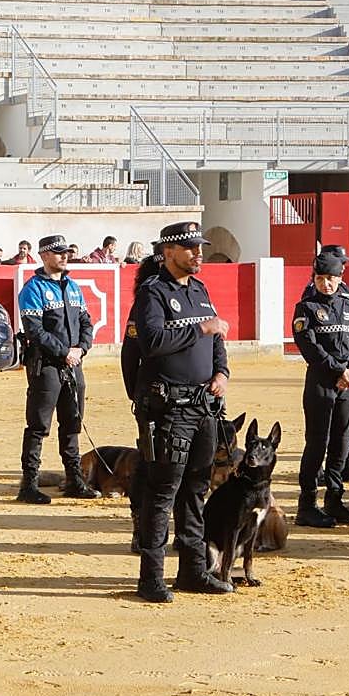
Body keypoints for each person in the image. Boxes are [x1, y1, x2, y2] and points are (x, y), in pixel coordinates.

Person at [132, 222, 232, 603]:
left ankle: (192, 570)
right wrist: (201, 329)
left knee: (196, 490)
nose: (198, 253)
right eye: (189, 247)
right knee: (161, 493)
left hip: (203, 407)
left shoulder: (200, 291)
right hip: (169, 407)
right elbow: (153, 342)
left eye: (199, 246)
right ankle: (151, 578)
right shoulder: (153, 293)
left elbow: (217, 340)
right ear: (169, 251)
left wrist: (222, 372)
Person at [15, 235, 101, 504]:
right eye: (58, 252)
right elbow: (35, 331)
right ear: (43, 256)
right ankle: (28, 484)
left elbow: (87, 323)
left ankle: (74, 479)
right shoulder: (33, 289)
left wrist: (80, 349)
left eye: (66, 252)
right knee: (38, 425)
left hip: (73, 363)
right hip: (47, 365)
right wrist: (65, 352)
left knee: (72, 422)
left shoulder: (73, 287)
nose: (64, 256)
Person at [292, 245, 349, 527]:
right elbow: (308, 347)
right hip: (321, 383)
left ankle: (334, 500)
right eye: (320, 278)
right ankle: (307, 505)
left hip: (348, 383)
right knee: (317, 444)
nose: (325, 284)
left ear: (341, 276)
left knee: (341, 444)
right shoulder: (306, 306)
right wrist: (339, 371)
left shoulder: (348, 301)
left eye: (330, 279)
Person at [121, 254, 166, 551]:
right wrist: (136, 393)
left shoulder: (192, 293)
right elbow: (131, 353)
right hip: (154, 395)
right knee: (151, 464)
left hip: (191, 396)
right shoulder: (148, 299)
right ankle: (143, 529)